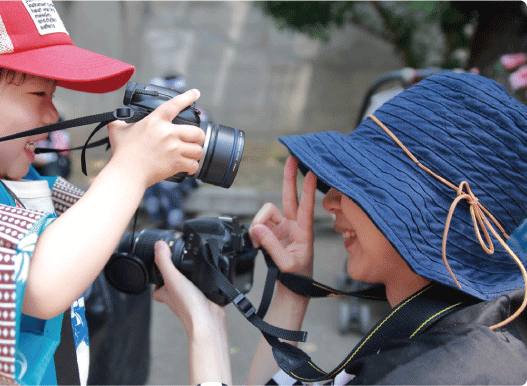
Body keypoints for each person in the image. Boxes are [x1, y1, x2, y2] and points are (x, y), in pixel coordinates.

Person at [0, 1, 205, 385]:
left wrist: (134, 160)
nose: (53, 114)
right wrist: (130, 170)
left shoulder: (6, 181)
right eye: (39, 94)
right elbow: (41, 285)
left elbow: (85, 228)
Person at [153, 71, 527, 385]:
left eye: (363, 187)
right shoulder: (467, 335)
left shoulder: (433, 373)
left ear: (421, 215)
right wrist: (292, 287)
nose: (330, 201)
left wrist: (207, 332)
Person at [142, 74, 203, 230]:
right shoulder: (156, 116)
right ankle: (159, 225)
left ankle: (175, 226)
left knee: (167, 182)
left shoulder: (196, 114)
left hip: (190, 171)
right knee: (149, 179)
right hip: (165, 168)